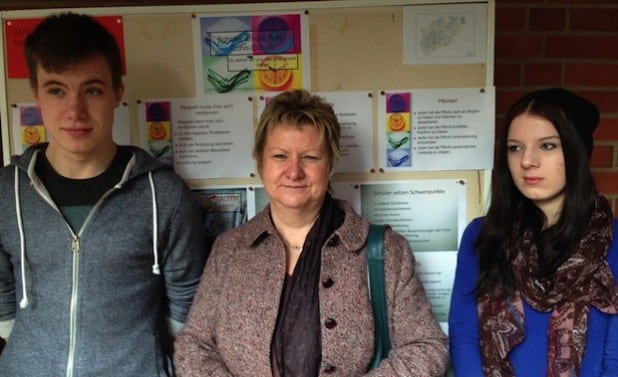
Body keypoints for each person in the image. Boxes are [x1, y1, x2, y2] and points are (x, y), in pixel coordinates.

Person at [174, 89, 448, 376]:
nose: (294, 172)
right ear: (260, 163)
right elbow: (194, 346)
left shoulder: (386, 251)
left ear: (330, 164)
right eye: (280, 156)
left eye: (310, 157)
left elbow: (427, 346)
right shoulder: (229, 250)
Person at [0, 12, 208, 376]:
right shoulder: (6, 192)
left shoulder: (165, 195)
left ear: (117, 93)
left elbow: (186, 308)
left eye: (92, 90)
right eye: (56, 90)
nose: (75, 111)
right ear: (36, 95)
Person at [448, 88, 618, 376]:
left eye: (547, 146)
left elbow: (614, 358)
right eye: (515, 147)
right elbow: (465, 336)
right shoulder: (483, 236)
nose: (527, 160)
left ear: (576, 151)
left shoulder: (612, 242)